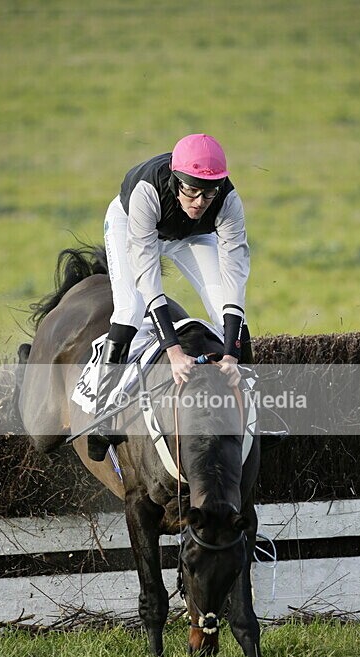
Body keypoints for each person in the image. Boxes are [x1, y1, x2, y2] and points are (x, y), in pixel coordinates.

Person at [88, 133, 253, 461]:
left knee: (227, 307)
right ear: (177, 182)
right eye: (192, 192)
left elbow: (235, 279)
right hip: (133, 225)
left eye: (208, 195)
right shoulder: (148, 191)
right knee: (131, 309)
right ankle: (102, 410)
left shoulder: (228, 200)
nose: (199, 203)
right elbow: (148, 279)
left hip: (191, 237)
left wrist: (232, 355)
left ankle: (253, 408)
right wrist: (173, 351)